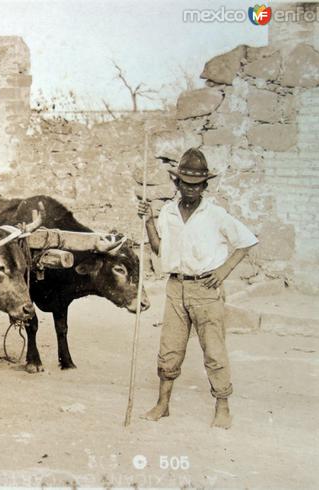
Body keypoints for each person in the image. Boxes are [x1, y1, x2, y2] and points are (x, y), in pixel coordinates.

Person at [137, 148, 258, 429]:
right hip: (175, 287)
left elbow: (247, 241)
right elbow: (158, 248)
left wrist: (223, 271)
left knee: (214, 351)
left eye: (197, 185)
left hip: (205, 289)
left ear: (204, 186)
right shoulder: (167, 212)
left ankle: (223, 406)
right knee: (169, 350)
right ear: (176, 184)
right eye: (185, 184)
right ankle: (162, 404)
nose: (190, 190)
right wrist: (147, 221)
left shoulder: (215, 214)